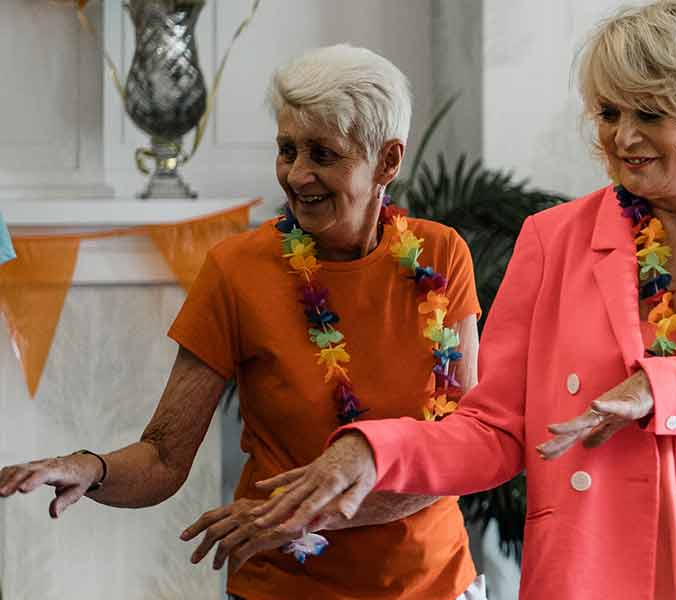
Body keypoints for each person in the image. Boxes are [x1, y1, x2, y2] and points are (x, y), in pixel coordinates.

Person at [240, 1, 676, 598]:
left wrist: (663, 388)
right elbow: (494, 429)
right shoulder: (553, 238)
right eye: (608, 112)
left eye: (648, 114)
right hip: (593, 562)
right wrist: (374, 449)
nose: (622, 138)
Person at [0, 44, 485, 599]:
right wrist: (89, 469)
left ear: (388, 161)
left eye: (323, 155)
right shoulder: (236, 269)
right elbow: (162, 454)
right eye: (286, 149)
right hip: (281, 588)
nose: (298, 175)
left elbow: (463, 448)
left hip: (437, 584)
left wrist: (304, 515)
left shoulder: (441, 255)